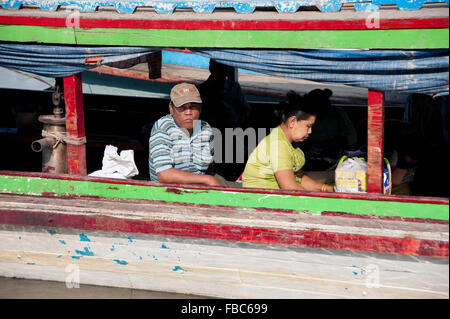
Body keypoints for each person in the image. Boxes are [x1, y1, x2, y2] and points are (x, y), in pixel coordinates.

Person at [242, 91, 334, 192]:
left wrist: (327, 189)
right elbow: (291, 188)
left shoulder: (289, 143)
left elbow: (299, 178)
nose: (310, 131)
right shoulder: (278, 144)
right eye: (308, 126)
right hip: (261, 200)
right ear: (292, 122)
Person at [149, 82, 237, 187]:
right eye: (182, 107)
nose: (188, 112)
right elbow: (164, 175)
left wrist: (208, 179)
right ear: (171, 108)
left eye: (193, 107)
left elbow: (209, 165)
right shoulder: (163, 128)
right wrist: (207, 180)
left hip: (199, 185)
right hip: (168, 190)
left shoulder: (205, 129)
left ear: (200, 108)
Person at [197, 59, 251, 181]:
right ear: (212, 69)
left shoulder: (234, 88)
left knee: (234, 168)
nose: (222, 72)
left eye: (225, 69)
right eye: (219, 69)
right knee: (213, 170)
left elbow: (246, 110)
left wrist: (235, 120)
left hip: (232, 134)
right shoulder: (202, 89)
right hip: (209, 136)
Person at [300, 88, 357, 160]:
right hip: (313, 154)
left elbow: (351, 137)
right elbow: (299, 143)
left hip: (336, 152)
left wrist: (328, 144)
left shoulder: (338, 113)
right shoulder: (305, 116)